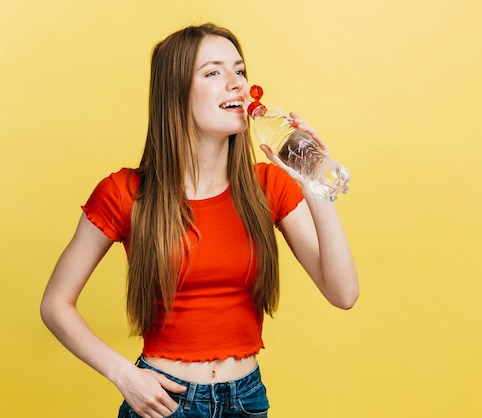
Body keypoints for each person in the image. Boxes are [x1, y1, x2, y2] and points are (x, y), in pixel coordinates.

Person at [40, 23, 358, 418]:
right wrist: (123, 375)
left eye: (239, 71)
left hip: (246, 400)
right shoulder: (125, 192)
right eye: (213, 72)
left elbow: (343, 294)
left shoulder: (267, 185)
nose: (237, 84)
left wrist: (316, 187)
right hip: (163, 402)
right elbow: (55, 303)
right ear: (176, 93)